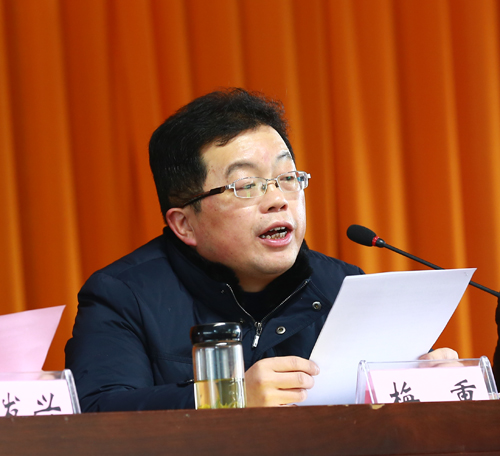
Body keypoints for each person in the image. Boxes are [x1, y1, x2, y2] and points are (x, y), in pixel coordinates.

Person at [65, 88, 456, 412]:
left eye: (288, 178)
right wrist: (228, 398)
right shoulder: (124, 295)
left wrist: (424, 382)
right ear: (184, 224)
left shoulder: (343, 286)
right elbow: (97, 413)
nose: (278, 200)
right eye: (246, 186)